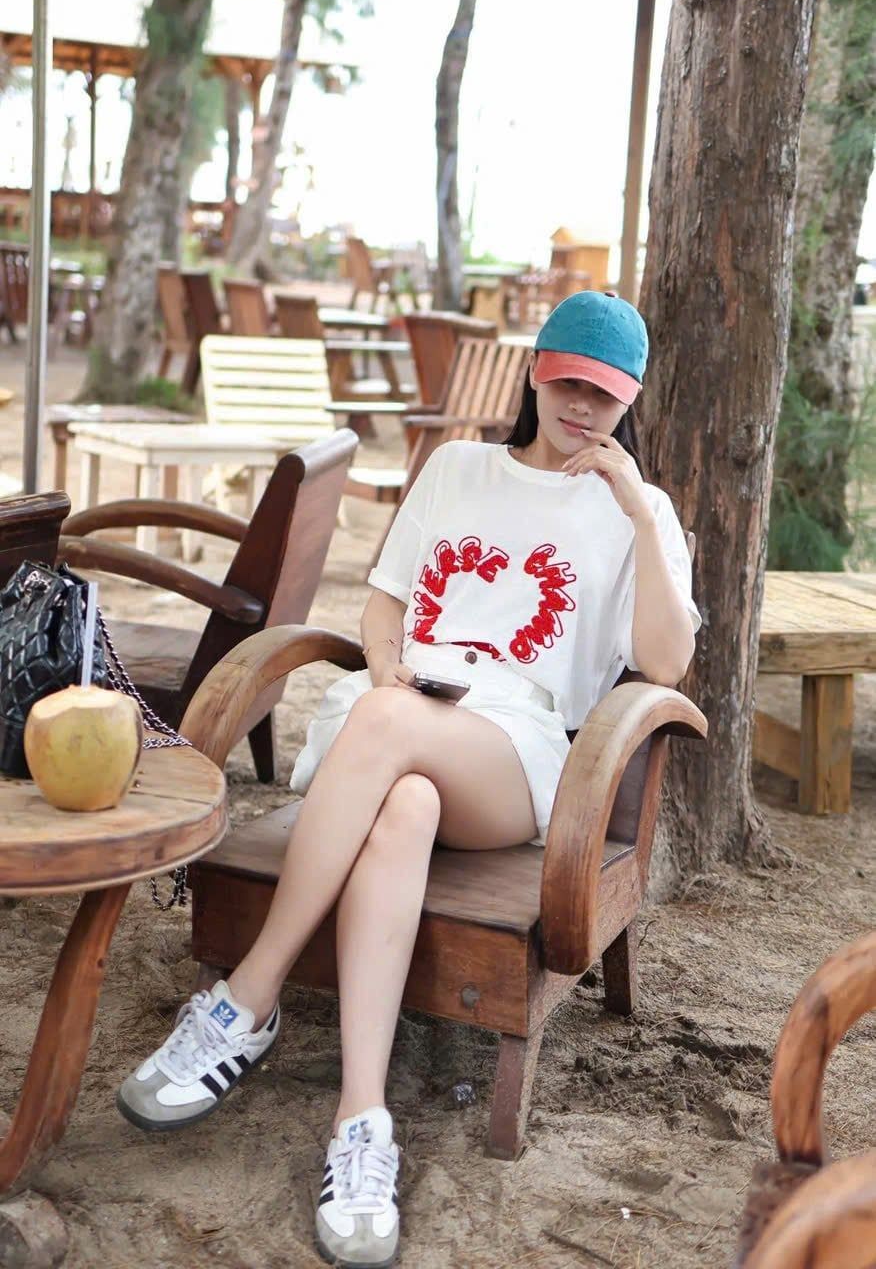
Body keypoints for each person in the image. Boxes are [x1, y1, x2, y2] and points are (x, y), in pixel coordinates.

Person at [117, 291, 701, 1268]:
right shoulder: (459, 468)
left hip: (512, 753)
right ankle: (363, 1123)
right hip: (394, 720)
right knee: (405, 802)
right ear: (535, 371)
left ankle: (247, 996)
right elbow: (386, 602)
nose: (582, 409)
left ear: (628, 399)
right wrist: (388, 667)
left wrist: (637, 510)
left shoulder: (639, 511)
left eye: (603, 395)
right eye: (568, 383)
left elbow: (667, 661)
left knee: (393, 737)